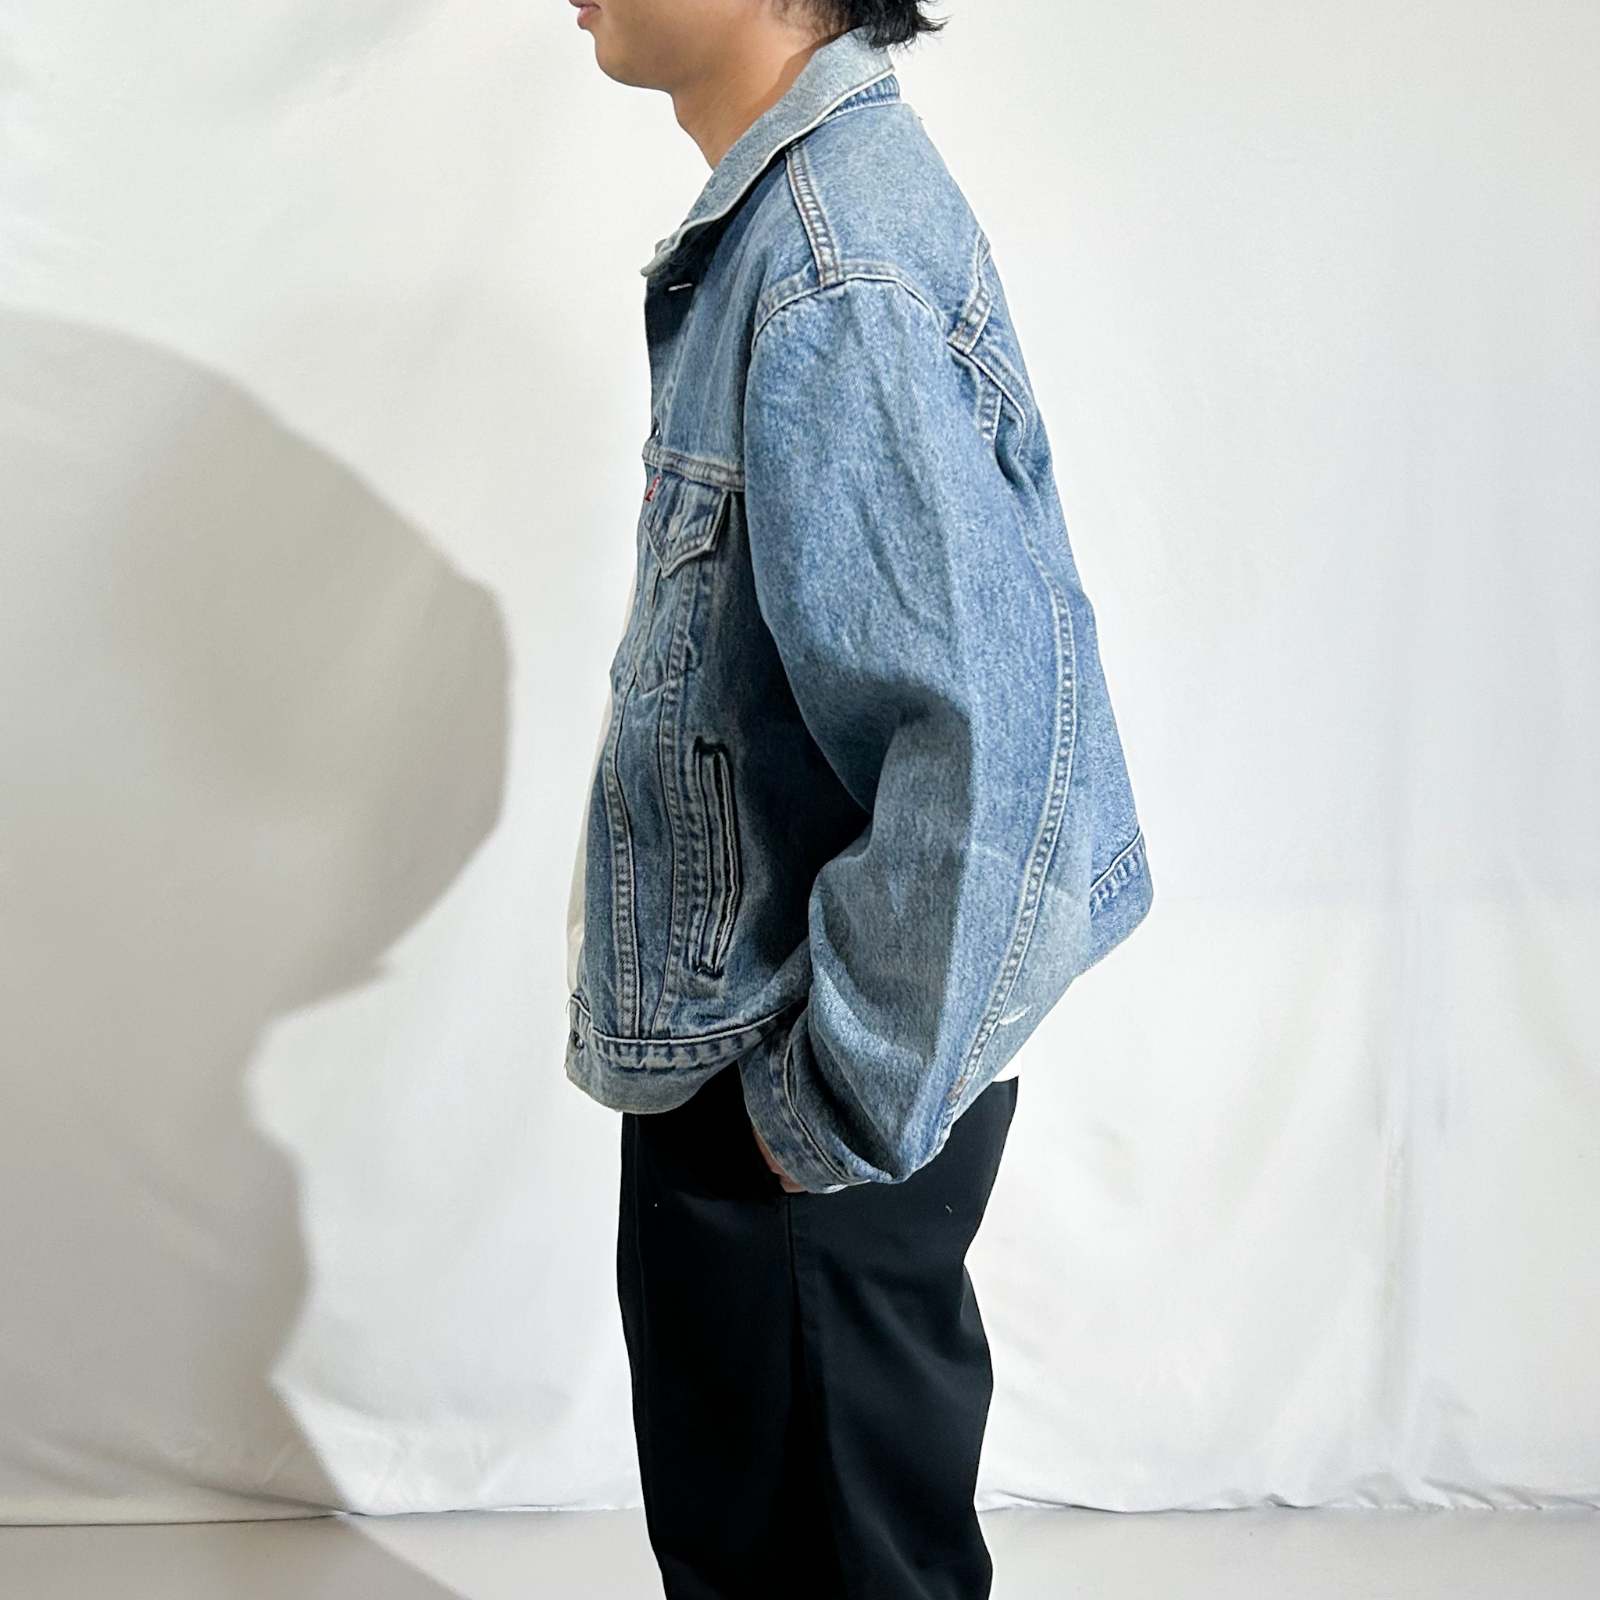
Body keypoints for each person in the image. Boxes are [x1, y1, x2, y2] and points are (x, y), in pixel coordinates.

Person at [562, 4, 1155, 1595]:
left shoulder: (835, 261)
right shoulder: (802, 226)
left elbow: (974, 738)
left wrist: (828, 1111)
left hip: (798, 1103)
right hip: (773, 1078)